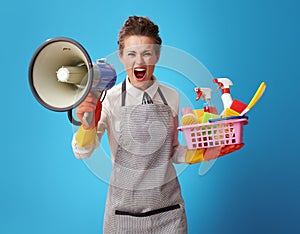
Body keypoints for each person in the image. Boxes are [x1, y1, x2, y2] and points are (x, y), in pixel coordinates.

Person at [72, 15, 237, 233]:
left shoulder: (172, 97)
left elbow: (173, 152)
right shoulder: (108, 98)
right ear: (121, 56)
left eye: (146, 53)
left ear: (157, 56)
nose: (139, 62)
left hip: (168, 214)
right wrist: (87, 125)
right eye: (131, 54)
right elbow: (82, 151)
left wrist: (203, 154)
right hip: (122, 215)